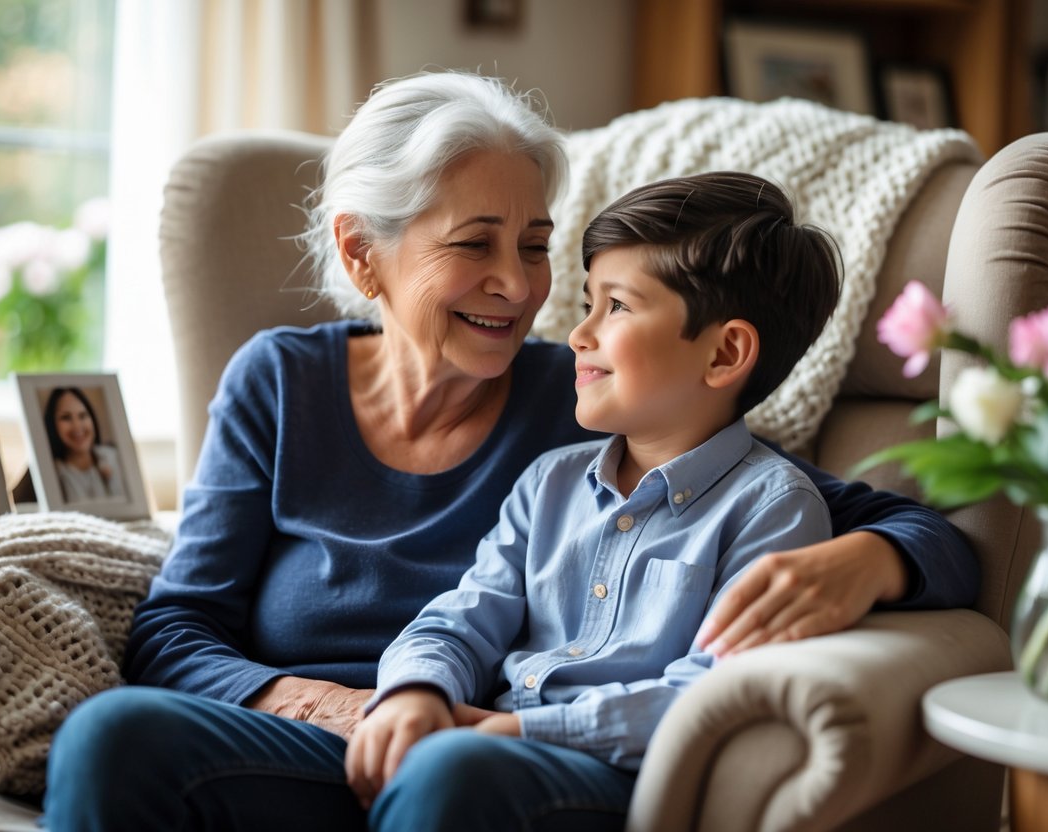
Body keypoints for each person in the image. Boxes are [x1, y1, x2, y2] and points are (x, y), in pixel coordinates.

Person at [43, 71, 978, 831]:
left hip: (483, 763)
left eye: (533, 246)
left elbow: (875, 518)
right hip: (321, 747)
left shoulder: (583, 406)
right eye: (474, 244)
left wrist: (874, 558)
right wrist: (352, 707)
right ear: (365, 254)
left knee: (453, 780)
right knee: (110, 737)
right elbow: (171, 632)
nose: (519, 288)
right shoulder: (279, 383)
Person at [345, 171, 840, 827]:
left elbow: (714, 692)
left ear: (724, 353)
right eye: (586, 304)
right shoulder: (547, 484)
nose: (578, 335)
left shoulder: (773, 509)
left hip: (607, 780)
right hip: (478, 747)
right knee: (160, 726)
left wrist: (521, 735)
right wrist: (415, 690)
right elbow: (462, 617)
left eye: (617, 307)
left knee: (449, 770)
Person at [43, 386, 127, 503]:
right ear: (52, 424)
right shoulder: (53, 473)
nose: (77, 426)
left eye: (82, 416)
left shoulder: (114, 457)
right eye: (66, 417)